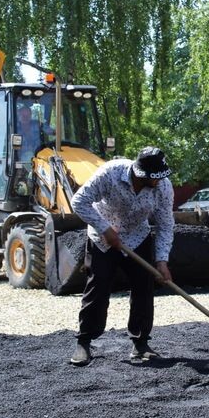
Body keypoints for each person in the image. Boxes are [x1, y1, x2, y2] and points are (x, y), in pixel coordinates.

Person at [68, 146, 175, 366]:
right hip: (103, 239)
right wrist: (104, 228)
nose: (158, 182)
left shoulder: (162, 187)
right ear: (141, 174)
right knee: (98, 286)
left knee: (144, 288)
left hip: (137, 236)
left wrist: (162, 260)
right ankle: (84, 342)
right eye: (154, 178)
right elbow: (78, 201)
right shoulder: (111, 174)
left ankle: (140, 343)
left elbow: (165, 224)